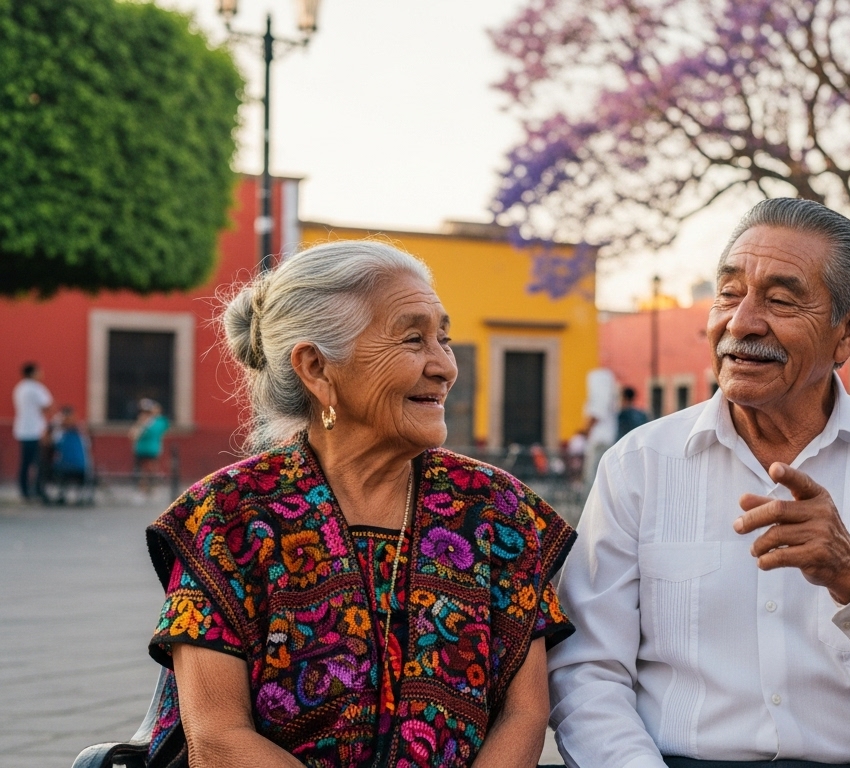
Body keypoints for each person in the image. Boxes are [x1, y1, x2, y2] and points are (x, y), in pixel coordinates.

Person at [549, 198, 850, 768]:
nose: (741, 323)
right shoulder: (638, 464)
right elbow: (585, 671)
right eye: (729, 293)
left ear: (849, 331)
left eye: (781, 300)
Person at [143, 241, 575, 767]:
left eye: (443, 338)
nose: (445, 367)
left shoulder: (497, 511)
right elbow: (217, 736)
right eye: (413, 339)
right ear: (316, 368)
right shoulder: (227, 517)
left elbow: (524, 713)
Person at [12, 362, 52, 501]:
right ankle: (38, 489)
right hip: (35, 430)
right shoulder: (36, 388)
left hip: (22, 429)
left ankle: (24, 490)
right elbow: (47, 406)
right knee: (39, 462)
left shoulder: (19, 388)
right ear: (32, 373)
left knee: (25, 462)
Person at [43, 405, 90, 504]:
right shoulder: (81, 432)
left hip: (64, 468)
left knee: (51, 466)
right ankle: (79, 496)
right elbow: (88, 447)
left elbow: (49, 444)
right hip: (82, 468)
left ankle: (60, 494)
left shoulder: (59, 433)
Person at [130, 399, 170, 492]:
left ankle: (150, 487)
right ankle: (143, 487)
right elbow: (133, 435)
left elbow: (163, 426)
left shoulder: (157, 422)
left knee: (150, 469)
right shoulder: (142, 423)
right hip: (141, 449)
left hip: (152, 449)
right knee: (142, 470)